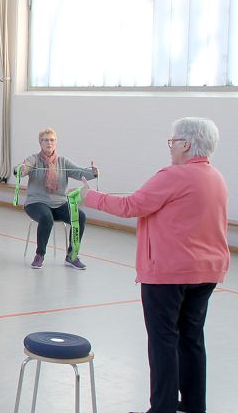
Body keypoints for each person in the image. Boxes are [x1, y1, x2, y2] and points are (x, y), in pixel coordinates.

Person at [80, 118, 228, 413]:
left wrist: (90, 197)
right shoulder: (216, 178)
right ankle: (194, 406)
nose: (170, 148)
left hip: (168, 273)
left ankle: (162, 409)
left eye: (173, 142)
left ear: (186, 145)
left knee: (163, 342)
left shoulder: (175, 175)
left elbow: (131, 206)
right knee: (191, 340)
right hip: (206, 272)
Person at [17, 127, 97, 269]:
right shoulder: (34, 159)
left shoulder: (63, 161)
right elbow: (23, 167)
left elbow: (80, 173)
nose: (49, 143)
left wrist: (93, 172)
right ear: (40, 143)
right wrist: (21, 169)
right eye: (46, 140)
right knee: (46, 217)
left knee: (80, 217)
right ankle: (40, 255)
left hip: (59, 202)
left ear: (56, 143)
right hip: (36, 202)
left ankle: (72, 256)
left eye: (52, 140)